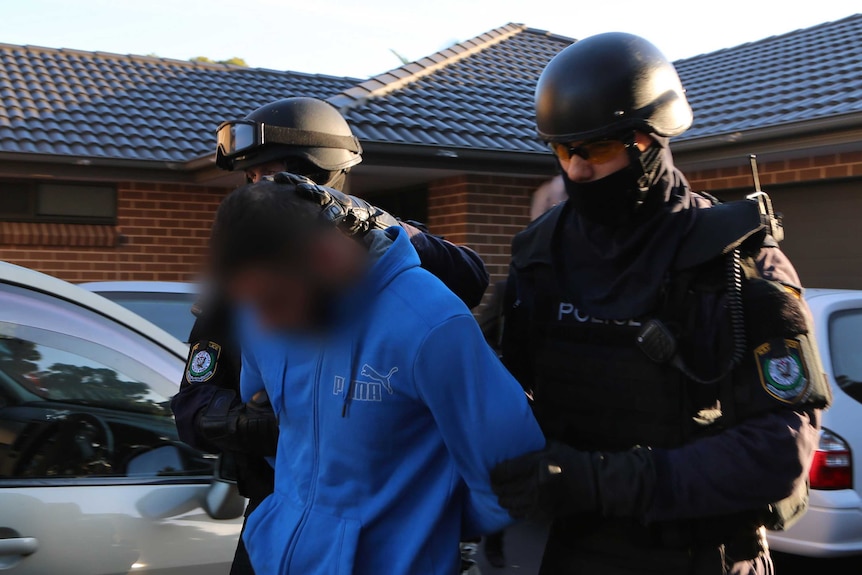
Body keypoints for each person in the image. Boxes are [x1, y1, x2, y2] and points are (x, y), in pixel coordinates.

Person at [490, 33, 831, 575]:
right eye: (563, 150)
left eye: (597, 149)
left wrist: (599, 480)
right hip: (563, 549)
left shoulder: (738, 266)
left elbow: (780, 451)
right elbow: (507, 393)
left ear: (650, 138)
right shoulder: (539, 254)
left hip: (694, 552)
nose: (576, 171)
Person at [170, 97, 489, 575]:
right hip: (279, 512)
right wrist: (258, 424)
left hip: (390, 522)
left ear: (321, 176)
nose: (256, 193)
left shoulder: (392, 258)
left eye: (271, 178)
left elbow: (470, 278)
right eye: (251, 180)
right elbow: (192, 405)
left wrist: (368, 223)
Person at [209, 172, 545, 574]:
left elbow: (511, 475)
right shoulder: (262, 305)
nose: (261, 325)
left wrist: (422, 526)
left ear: (327, 260)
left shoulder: (429, 320)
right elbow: (280, 434)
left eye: (273, 300)